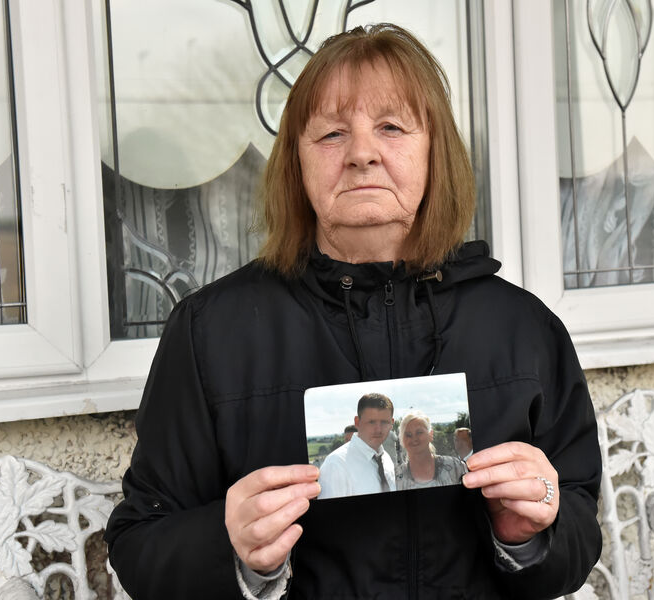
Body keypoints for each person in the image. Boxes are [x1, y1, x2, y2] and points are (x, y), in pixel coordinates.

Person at [105, 23, 602, 599]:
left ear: (435, 153)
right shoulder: (210, 333)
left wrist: (529, 536)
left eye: (391, 127)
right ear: (296, 163)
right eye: (332, 134)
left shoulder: (524, 330)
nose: (362, 153)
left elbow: (579, 528)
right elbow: (140, 543)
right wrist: (235, 552)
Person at [318, 393, 396, 499]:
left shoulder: (386, 459)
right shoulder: (336, 464)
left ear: (392, 423)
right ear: (357, 422)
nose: (378, 429)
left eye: (384, 422)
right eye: (371, 422)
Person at [395, 410, 465, 490]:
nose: (414, 439)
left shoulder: (455, 467)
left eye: (419, 432)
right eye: (408, 435)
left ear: (430, 434)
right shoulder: (395, 478)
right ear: (402, 440)